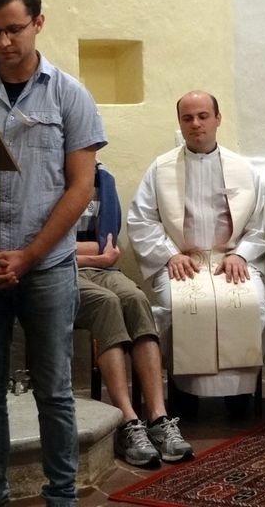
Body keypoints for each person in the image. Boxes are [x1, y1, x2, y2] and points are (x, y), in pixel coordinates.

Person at [0, 0, 105, 507]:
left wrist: (29, 255)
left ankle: (62, 496)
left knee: (54, 391)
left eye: (14, 29)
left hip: (47, 266)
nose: (4, 41)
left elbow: (80, 188)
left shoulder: (69, 95)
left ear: (38, 22)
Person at [126, 90, 265, 418]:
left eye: (203, 116)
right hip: (183, 261)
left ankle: (240, 396)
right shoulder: (161, 169)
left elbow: (261, 221)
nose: (196, 124)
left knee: (250, 304)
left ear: (218, 119)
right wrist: (169, 254)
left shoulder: (243, 169)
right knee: (177, 307)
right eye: (188, 118)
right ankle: (184, 396)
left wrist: (242, 254)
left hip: (230, 260)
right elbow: (141, 219)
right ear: (179, 123)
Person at [75, 162, 193, 467]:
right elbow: (46, 244)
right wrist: (92, 253)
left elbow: (108, 243)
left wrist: (90, 252)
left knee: (136, 299)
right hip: (60, 271)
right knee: (106, 303)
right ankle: (127, 422)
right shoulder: (46, 176)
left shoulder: (103, 178)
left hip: (103, 270)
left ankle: (158, 417)